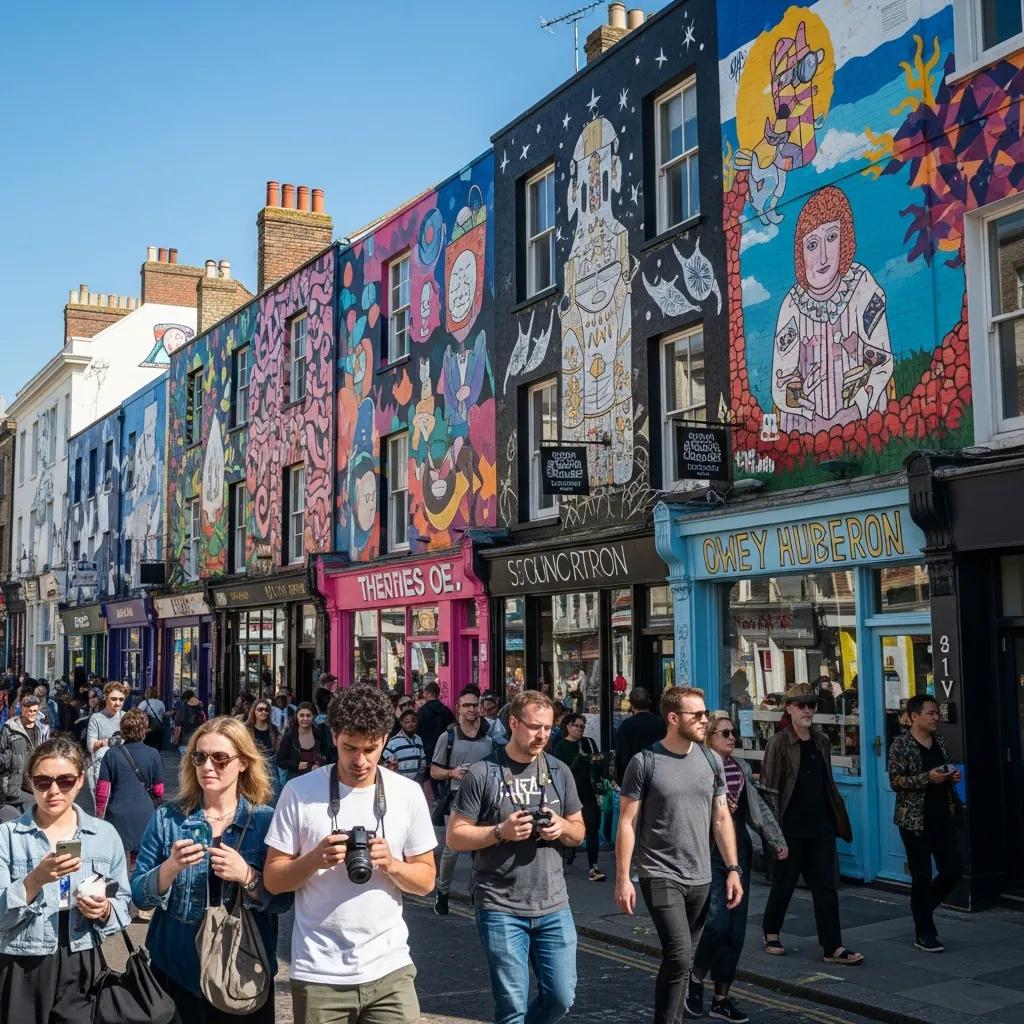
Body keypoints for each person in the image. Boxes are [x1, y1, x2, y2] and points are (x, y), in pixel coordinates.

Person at [264, 685, 437, 1024]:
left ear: (385, 738)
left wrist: (391, 864)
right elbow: (272, 879)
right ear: (334, 735)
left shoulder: (407, 794)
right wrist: (314, 859)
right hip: (319, 973)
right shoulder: (299, 792)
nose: (360, 761)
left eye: (370, 749)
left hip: (390, 969)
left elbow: (426, 880)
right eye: (349, 748)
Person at [131, 716, 290, 1022]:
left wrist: (248, 876)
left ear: (243, 762)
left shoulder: (265, 822)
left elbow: (284, 900)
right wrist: (170, 867)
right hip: (176, 972)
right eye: (200, 757)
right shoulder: (168, 819)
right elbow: (139, 895)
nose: (207, 767)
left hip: (243, 973)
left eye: (219, 758)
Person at [446, 690, 585, 1024]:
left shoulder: (559, 771)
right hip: (500, 905)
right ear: (513, 723)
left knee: (561, 996)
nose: (542, 735)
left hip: (553, 904)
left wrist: (562, 827)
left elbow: (579, 831)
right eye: (535, 727)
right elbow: (455, 835)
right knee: (512, 1006)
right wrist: (499, 832)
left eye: (548, 727)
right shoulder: (483, 773)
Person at [615, 687, 742, 1024]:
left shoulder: (711, 760)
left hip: (701, 875)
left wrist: (732, 868)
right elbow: (627, 823)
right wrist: (623, 878)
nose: (705, 720)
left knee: (685, 961)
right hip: (659, 873)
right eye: (697, 715)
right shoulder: (645, 762)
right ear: (673, 719)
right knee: (679, 953)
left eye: (705, 713)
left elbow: (720, 817)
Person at [0, 736, 133, 1021]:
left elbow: (123, 902)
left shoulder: (103, 834)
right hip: (20, 960)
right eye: (43, 782)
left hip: (83, 958)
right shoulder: (7, 836)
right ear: (30, 782)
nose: (54, 791)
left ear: (81, 780)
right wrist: (34, 880)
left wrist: (105, 910)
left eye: (66, 781)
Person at [688, 712, 788, 1023]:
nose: (732, 738)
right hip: (709, 855)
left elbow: (757, 811)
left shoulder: (741, 768)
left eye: (734, 733)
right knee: (716, 923)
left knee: (736, 930)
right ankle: (694, 978)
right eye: (725, 733)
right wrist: (715, 809)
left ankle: (721, 999)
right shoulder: (696, 770)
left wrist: (776, 840)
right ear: (709, 738)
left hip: (738, 855)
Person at [760, 683, 862, 964]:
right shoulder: (778, 743)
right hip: (790, 828)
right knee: (784, 883)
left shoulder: (821, 740)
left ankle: (833, 947)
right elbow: (769, 791)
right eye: (801, 705)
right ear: (789, 709)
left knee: (826, 888)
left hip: (820, 826)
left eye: (811, 705)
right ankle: (770, 931)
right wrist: (774, 834)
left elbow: (825, 782)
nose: (807, 710)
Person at [888, 693, 963, 952]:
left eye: (936, 713)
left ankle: (921, 907)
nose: (936, 718)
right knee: (922, 876)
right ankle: (924, 933)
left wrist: (950, 776)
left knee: (953, 869)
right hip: (914, 821)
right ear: (914, 717)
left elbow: (943, 769)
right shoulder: (901, 745)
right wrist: (927, 778)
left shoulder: (940, 740)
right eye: (931, 713)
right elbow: (896, 782)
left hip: (942, 815)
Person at [430, 688, 494, 916]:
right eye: (467, 705)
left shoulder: (489, 737)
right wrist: (452, 773)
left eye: (475, 705)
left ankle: (480, 892)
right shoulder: (448, 738)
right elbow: (434, 771)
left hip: (485, 799)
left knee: (484, 847)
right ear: (458, 708)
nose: (472, 709)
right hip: (457, 798)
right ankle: (443, 892)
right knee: (453, 848)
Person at [95, 709, 164, 881]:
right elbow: (159, 790)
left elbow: (102, 790)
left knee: (119, 861)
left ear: (123, 729)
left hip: (117, 813)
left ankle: (121, 896)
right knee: (145, 858)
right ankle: (141, 893)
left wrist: (99, 815)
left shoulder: (111, 754)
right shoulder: (153, 754)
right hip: (145, 812)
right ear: (145, 730)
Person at [553, 713, 606, 881]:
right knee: (565, 828)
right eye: (576, 725)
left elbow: (599, 767)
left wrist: (599, 762)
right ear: (568, 726)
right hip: (569, 793)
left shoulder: (588, 743)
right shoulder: (560, 746)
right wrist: (578, 761)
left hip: (588, 792)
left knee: (592, 828)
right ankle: (563, 858)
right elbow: (560, 772)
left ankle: (593, 866)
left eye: (582, 726)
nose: (579, 729)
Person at [0, 694, 43, 823]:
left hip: (30, 783)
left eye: (35, 711)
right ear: (22, 709)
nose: (31, 714)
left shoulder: (39, 728)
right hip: (12, 784)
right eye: (29, 711)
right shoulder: (10, 728)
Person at [614, 687, 667, 785]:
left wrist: (621, 780)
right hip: (659, 777)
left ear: (631, 704)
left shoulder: (626, 725)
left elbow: (622, 756)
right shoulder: (661, 723)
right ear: (649, 701)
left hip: (634, 779)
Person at [415, 681, 454, 798]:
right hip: (445, 753)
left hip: (427, 752)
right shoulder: (446, 711)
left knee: (426, 783)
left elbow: (417, 733)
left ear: (427, 693)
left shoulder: (422, 711)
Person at [276, 701, 333, 782]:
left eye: (308, 715)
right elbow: (280, 761)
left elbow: (327, 754)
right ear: (297, 717)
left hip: (316, 778)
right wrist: (296, 764)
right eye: (302, 715)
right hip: (295, 779)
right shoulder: (289, 737)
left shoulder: (320, 735)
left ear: (313, 717)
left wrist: (319, 763)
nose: (305, 718)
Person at [383, 708, 427, 782]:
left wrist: (419, 777)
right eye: (407, 721)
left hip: (416, 782)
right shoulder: (393, 742)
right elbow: (387, 763)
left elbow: (422, 761)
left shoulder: (418, 739)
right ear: (401, 723)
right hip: (399, 782)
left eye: (413, 721)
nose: (410, 724)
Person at [171, 689, 206, 754]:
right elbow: (204, 722)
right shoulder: (200, 709)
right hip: (197, 737)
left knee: (185, 759)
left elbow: (178, 724)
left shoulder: (182, 708)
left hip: (184, 737)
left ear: (185, 699)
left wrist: (175, 737)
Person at [139, 685, 168, 749]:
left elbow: (138, 713)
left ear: (146, 694)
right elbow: (163, 713)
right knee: (157, 745)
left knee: (146, 745)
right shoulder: (161, 703)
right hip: (158, 727)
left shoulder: (144, 703)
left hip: (147, 728)